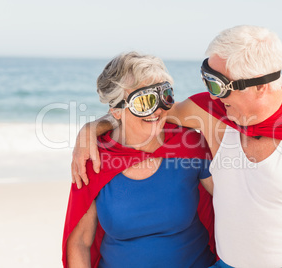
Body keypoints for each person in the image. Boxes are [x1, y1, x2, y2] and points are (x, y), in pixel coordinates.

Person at [71, 26, 282, 268]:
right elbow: (145, 113)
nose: (212, 94)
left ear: (260, 86)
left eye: (220, 85)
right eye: (208, 79)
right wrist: (90, 129)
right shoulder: (211, 114)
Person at [62, 52, 217, 268]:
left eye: (165, 96)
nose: (159, 110)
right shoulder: (94, 159)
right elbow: (79, 242)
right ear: (116, 111)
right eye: (145, 101)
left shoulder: (190, 144)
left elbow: (232, 203)